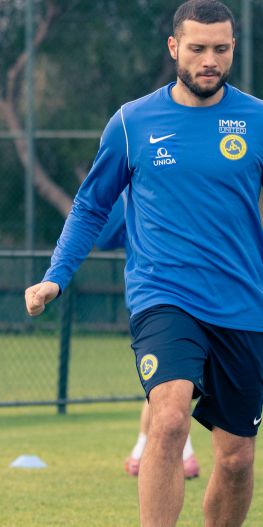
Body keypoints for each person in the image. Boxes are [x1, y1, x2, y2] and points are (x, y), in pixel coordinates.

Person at [24, 0, 263, 527]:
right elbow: (91, 207)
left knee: (236, 458)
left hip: (242, 309)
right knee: (168, 418)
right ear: (174, 48)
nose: (209, 59)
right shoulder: (132, 123)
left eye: (221, 48)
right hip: (162, 297)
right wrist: (55, 277)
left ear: (233, 49)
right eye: (197, 48)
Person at [95, 193, 199, 479]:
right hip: (163, 299)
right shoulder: (133, 190)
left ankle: (148, 449)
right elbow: (104, 236)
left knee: (173, 382)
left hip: (185, 297)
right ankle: (173, 450)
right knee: (171, 381)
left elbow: (105, 237)